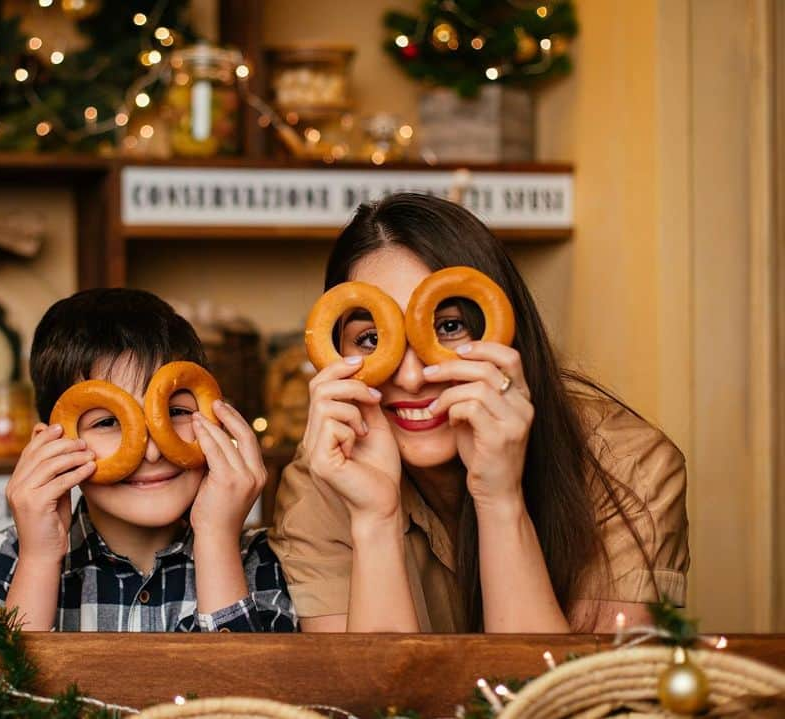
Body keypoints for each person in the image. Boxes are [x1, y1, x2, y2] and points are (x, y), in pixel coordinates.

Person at [269, 193, 688, 633]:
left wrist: (500, 498)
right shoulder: (322, 488)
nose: (411, 377)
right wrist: (374, 520)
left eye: (449, 327)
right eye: (371, 339)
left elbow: (577, 698)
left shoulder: (627, 466)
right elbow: (375, 701)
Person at [0, 288, 296, 632]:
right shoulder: (11, 556)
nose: (153, 451)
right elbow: (2, 685)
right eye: (108, 422)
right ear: (51, 445)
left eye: (175, 411)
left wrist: (216, 540)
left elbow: (247, 685)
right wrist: (39, 560)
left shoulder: (261, 559)